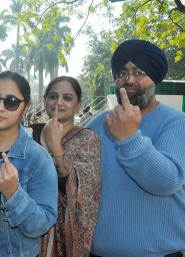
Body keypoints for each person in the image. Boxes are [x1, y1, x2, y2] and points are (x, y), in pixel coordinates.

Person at [87, 39, 185, 256]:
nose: (129, 79)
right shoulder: (99, 123)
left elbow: (166, 183)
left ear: (155, 78)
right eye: (122, 73)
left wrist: (129, 137)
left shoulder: (177, 123)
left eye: (139, 72)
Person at [0, 71, 58, 257]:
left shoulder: (37, 159)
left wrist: (13, 193)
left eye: (11, 101)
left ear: (26, 106)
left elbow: (41, 225)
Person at [35, 76, 101, 257]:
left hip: (63, 234)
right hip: (29, 225)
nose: (59, 103)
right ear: (45, 100)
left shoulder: (87, 139)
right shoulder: (31, 132)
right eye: (53, 96)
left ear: (78, 105)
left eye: (67, 98)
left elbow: (84, 191)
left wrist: (55, 145)